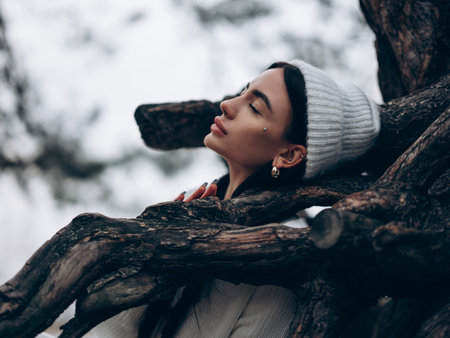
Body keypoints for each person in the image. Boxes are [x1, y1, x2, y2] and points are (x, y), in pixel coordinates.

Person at [43, 59, 379, 337]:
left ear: (289, 155)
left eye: (255, 107)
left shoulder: (280, 258)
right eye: (243, 92)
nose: (228, 105)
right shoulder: (188, 206)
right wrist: (161, 249)